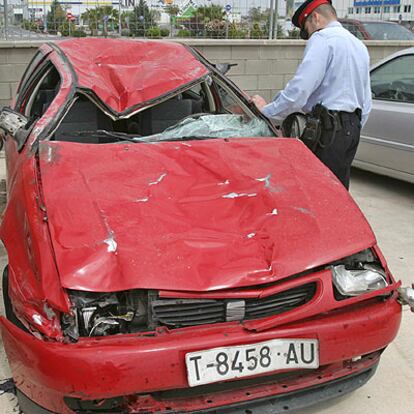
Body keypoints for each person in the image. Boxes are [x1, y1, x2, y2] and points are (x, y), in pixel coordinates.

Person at [252, 0, 372, 189]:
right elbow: (366, 100)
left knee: (318, 192)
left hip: (328, 132)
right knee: (338, 193)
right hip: (351, 130)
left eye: (307, 29)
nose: (309, 35)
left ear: (315, 18)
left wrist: (266, 112)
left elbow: (299, 90)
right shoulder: (358, 44)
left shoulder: (322, 39)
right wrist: (350, 126)